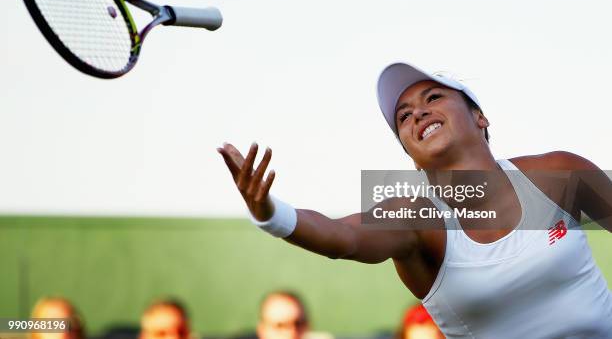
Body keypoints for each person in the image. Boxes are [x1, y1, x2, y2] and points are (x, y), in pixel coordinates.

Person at [217, 62, 612, 338]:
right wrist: (269, 213)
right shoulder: (415, 219)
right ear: (409, 151)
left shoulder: (556, 174)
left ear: (480, 117)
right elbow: (341, 236)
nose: (418, 114)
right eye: (403, 117)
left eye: (433, 98)